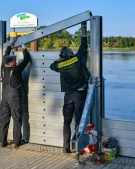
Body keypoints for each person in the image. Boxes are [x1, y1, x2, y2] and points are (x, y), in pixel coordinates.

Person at [50, 21, 91, 153]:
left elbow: (52, 65)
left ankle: (66, 147)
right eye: (71, 50)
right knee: (79, 121)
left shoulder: (60, 65)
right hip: (79, 94)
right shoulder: (76, 59)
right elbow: (83, 47)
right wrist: (83, 30)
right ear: (70, 54)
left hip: (68, 96)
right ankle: (78, 146)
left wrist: (61, 59)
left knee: (66, 122)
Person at [0, 38, 32, 149]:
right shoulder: (17, 69)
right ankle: (17, 142)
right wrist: (24, 48)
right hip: (15, 97)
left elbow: (5, 55)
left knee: (4, 119)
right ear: (11, 62)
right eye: (14, 59)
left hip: (4, 96)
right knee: (17, 119)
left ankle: (2, 142)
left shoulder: (3, 67)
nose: (16, 60)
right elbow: (27, 59)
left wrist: (10, 44)